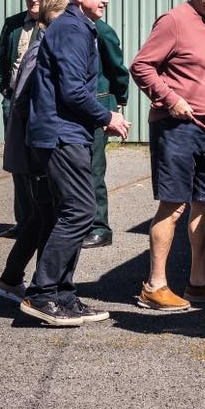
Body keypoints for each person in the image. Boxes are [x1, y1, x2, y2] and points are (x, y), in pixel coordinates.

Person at [20, 0, 131, 327]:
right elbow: (72, 90)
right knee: (80, 212)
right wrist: (107, 117)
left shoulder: (81, 28)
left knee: (68, 213)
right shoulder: (71, 29)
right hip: (60, 134)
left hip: (68, 132)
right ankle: (41, 293)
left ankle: (63, 295)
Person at [128, 0, 205, 310]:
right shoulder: (173, 21)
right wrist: (171, 99)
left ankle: (198, 281)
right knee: (174, 205)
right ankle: (155, 285)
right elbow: (141, 66)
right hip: (177, 126)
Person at [0, 0, 70, 303]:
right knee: (54, 214)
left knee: (43, 214)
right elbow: (29, 103)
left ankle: (13, 279)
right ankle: (44, 288)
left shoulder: (42, 45)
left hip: (35, 146)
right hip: (41, 148)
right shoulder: (44, 50)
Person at [0, 0, 50, 235]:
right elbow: (0, 60)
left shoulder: (53, 23)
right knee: (19, 165)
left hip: (42, 105)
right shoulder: (14, 24)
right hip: (15, 104)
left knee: (44, 164)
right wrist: (6, 90)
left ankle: (47, 219)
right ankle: (24, 222)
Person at [83, 17, 130, 249]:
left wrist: (117, 101)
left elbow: (117, 69)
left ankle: (99, 227)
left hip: (97, 105)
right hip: (78, 107)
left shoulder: (101, 30)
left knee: (94, 169)